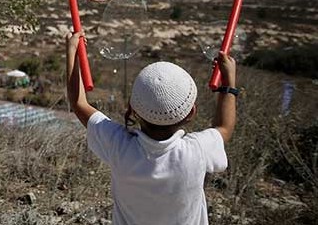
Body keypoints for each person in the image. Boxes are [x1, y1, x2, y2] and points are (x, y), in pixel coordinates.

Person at [66, 32, 237, 225]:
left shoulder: (119, 147)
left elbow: (79, 103)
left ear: (133, 109)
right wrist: (228, 85)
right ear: (191, 113)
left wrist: (72, 51)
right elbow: (224, 128)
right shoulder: (197, 151)